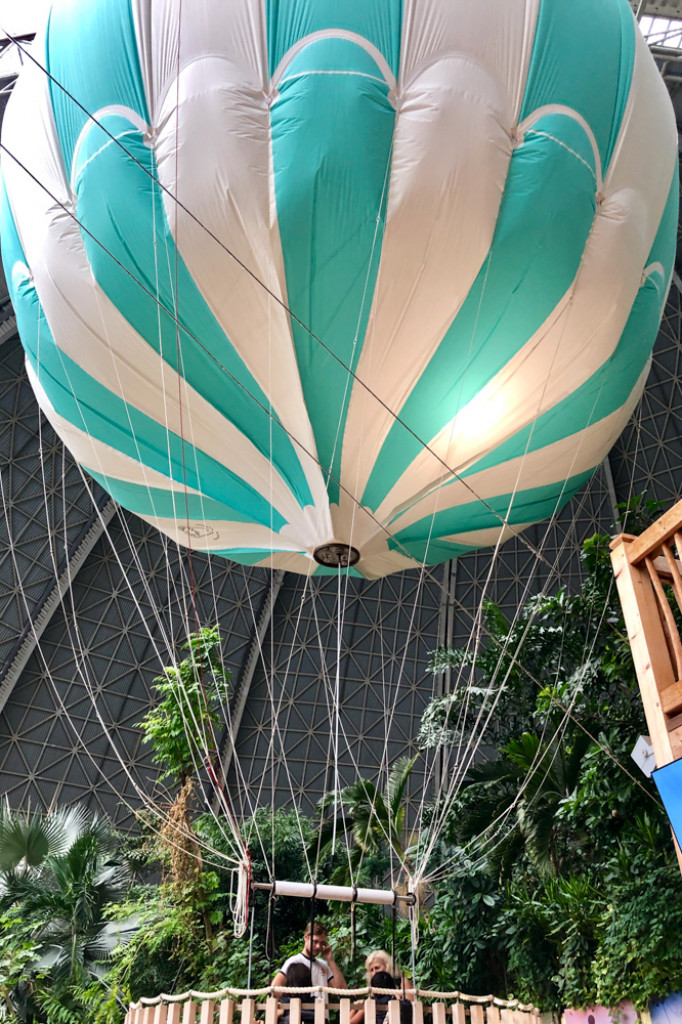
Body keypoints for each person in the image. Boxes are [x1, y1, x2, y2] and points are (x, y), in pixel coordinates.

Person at [273, 922, 347, 1008]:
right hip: (301, 1016)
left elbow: (341, 989)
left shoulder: (323, 964)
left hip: (322, 1017)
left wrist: (330, 960)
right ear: (306, 937)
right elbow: (275, 987)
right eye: (315, 942)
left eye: (321, 943)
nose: (318, 946)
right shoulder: (294, 961)